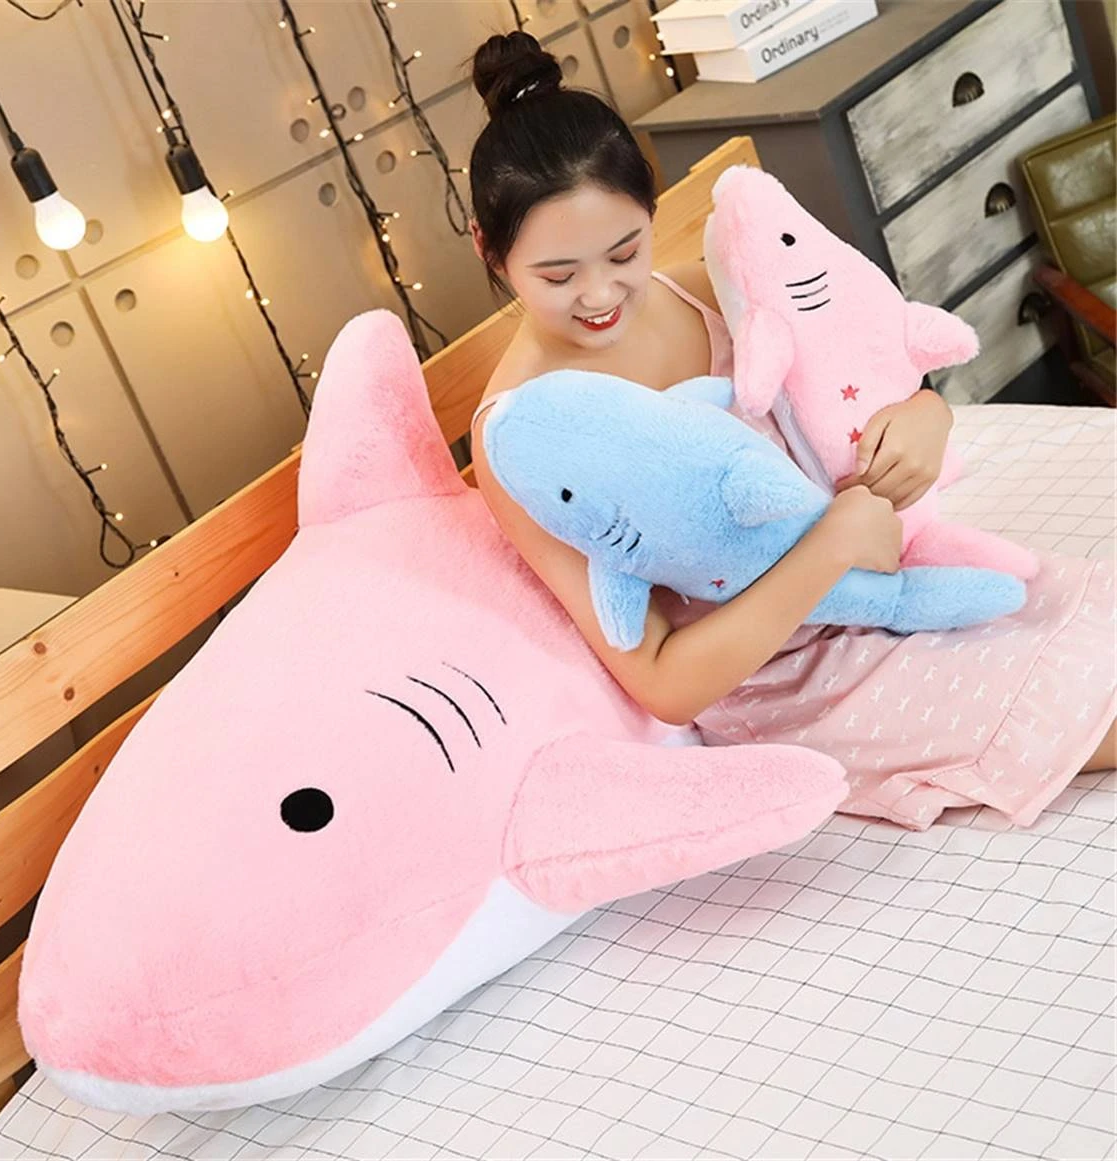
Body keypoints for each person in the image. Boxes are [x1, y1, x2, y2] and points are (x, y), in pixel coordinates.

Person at [466, 31, 1116, 829]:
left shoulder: (705, 289)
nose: (600, 294)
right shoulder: (524, 437)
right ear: (489, 252)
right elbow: (664, 682)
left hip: (895, 578)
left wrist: (925, 414)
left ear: (650, 211)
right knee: (1079, 704)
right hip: (790, 678)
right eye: (557, 275)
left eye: (624, 252)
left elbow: (866, 369)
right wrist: (832, 546)